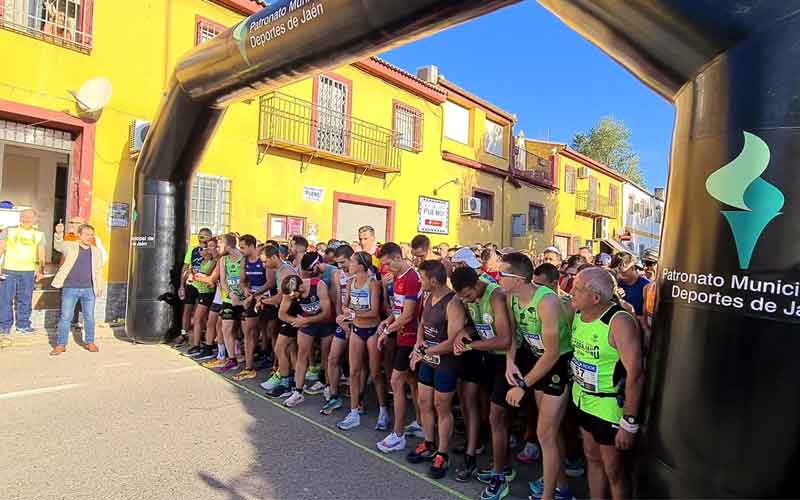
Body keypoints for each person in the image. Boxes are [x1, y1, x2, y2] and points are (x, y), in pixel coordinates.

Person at [500, 253, 574, 500]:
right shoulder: (510, 297)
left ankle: (549, 496)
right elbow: (511, 335)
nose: (497, 278)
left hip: (557, 364)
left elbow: (553, 353)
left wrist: (522, 384)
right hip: (536, 359)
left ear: (518, 280)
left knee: (545, 433)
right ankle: (561, 487)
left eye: (502, 274)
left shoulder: (547, 302)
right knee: (550, 433)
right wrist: (510, 361)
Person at [569, 267, 643, 500]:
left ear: (595, 297)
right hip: (583, 400)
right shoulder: (578, 314)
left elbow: (636, 373)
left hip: (609, 408)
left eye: (578, 289)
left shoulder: (619, 321)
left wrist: (628, 422)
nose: (571, 291)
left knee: (615, 471)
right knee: (592, 459)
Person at [451, 267, 515, 499]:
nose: (466, 300)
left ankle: (500, 475)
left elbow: (505, 339)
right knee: (493, 414)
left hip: (505, 360)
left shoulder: (496, 295)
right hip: (487, 358)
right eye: (462, 298)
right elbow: (477, 326)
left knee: (497, 416)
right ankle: (503, 465)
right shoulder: (469, 297)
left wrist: (470, 345)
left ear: (477, 282)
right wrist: (463, 333)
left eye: (468, 295)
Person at [407, 259, 467, 479]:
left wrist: (426, 352)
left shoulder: (453, 303)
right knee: (424, 403)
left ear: (433, 280)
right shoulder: (428, 295)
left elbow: (452, 341)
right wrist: (418, 345)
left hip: (445, 362)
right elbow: (422, 324)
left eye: (422, 277)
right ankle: (429, 443)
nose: (420, 281)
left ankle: (443, 453)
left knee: (442, 407)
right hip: (428, 358)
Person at [375, 242, 422, 448]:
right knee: (411, 381)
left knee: (396, 382)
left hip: (412, 336)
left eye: (388, 264)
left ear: (397, 257)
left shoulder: (412, 277)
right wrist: (387, 321)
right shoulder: (396, 277)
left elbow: (409, 315)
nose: (386, 269)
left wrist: (387, 331)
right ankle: (420, 423)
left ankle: (398, 434)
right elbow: (398, 310)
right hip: (402, 334)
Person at [337, 251, 387, 429]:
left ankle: (383, 411)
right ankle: (353, 412)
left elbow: (374, 311)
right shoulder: (351, 282)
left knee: (375, 373)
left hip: (372, 330)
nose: (349, 264)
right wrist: (346, 312)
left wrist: (352, 313)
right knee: (354, 371)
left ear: (361, 265)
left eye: (352, 261)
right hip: (357, 329)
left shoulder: (372, 284)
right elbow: (345, 305)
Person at [278, 256, 333, 408]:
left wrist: (305, 321)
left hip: (324, 321)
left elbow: (327, 313)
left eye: (294, 296)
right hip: (307, 321)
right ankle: (298, 391)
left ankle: (328, 386)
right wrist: (295, 321)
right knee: (302, 356)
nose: (292, 299)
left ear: (300, 288)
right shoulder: (290, 290)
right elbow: (282, 314)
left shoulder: (318, 285)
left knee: (326, 356)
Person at [50, 224, 104, 355]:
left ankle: (90, 342)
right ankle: (61, 345)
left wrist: (99, 286)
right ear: (79, 235)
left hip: (89, 289)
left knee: (89, 317)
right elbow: (58, 245)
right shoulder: (70, 246)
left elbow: (98, 270)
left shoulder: (96, 251)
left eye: (91, 235)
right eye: (86, 234)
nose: (89, 237)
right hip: (70, 288)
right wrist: (59, 233)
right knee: (66, 317)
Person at [259, 245, 299, 396]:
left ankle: (285, 382)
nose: (264, 265)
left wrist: (263, 301)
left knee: (279, 348)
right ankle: (295, 383)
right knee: (291, 349)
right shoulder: (281, 270)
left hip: (290, 312)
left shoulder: (285, 271)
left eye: (265, 261)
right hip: (289, 311)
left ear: (274, 257)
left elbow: (282, 296)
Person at [0, 208, 46, 336]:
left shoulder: (39, 234)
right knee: (5, 299)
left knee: (25, 299)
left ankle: (23, 325)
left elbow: (41, 254)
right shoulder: (9, 230)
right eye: (24, 216)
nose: (26, 218)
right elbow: (1, 248)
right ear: (20, 217)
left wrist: (41, 270)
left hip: (28, 272)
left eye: (30, 216)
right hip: (9, 269)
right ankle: (4, 327)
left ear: (35, 219)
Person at [321, 244, 354, 415]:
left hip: (360, 322)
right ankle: (334, 394)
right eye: (338, 263)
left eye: (343, 262)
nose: (341, 266)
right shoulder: (337, 274)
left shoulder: (365, 274)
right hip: (343, 321)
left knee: (356, 363)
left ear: (352, 258)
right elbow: (337, 300)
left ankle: (358, 399)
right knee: (333, 357)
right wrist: (340, 319)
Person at [235, 234, 269, 381]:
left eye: (242, 247)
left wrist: (256, 295)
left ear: (251, 246)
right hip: (253, 298)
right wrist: (245, 290)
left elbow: (270, 282)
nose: (240, 250)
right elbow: (242, 281)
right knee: (249, 330)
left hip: (266, 298)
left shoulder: (263, 260)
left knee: (269, 331)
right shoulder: (244, 261)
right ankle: (249, 367)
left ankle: (271, 360)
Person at [183, 238, 218, 359]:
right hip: (201, 292)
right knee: (204, 320)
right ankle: (203, 344)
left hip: (208, 293)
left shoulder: (214, 261)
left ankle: (198, 345)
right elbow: (196, 274)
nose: (203, 250)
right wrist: (192, 275)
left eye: (208, 247)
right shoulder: (203, 261)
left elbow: (207, 276)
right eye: (203, 248)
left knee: (198, 319)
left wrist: (194, 276)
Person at [178, 228, 213, 345]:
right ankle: (184, 333)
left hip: (205, 285)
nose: (202, 238)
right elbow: (185, 267)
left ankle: (203, 334)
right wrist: (181, 286)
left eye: (205, 236)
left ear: (210, 237)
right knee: (187, 309)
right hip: (192, 283)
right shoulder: (193, 249)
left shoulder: (213, 250)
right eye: (200, 236)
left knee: (203, 312)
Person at [217, 233, 246, 373]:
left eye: (219, 244)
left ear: (227, 245)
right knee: (226, 328)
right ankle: (232, 359)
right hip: (229, 299)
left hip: (244, 300)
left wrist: (242, 296)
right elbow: (222, 281)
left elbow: (247, 279)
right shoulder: (223, 260)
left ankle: (248, 361)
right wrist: (230, 294)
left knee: (247, 331)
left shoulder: (243, 258)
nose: (217, 247)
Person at [611, 252, 650, 327]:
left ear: (632, 268)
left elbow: (647, 319)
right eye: (616, 272)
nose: (619, 276)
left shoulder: (646, 286)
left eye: (623, 272)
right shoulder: (616, 284)